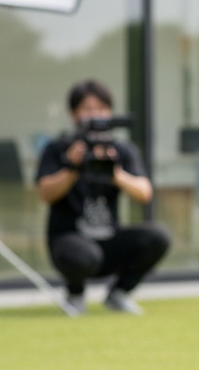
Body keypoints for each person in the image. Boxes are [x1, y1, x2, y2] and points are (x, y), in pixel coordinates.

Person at [36, 80, 170, 314]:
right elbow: (45, 193)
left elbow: (144, 193)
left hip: (108, 239)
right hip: (70, 241)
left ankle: (118, 294)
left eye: (101, 108)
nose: (95, 115)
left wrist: (114, 172)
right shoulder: (58, 149)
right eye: (87, 109)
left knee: (158, 236)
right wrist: (72, 167)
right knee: (84, 253)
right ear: (73, 113)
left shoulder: (120, 150)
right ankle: (75, 295)